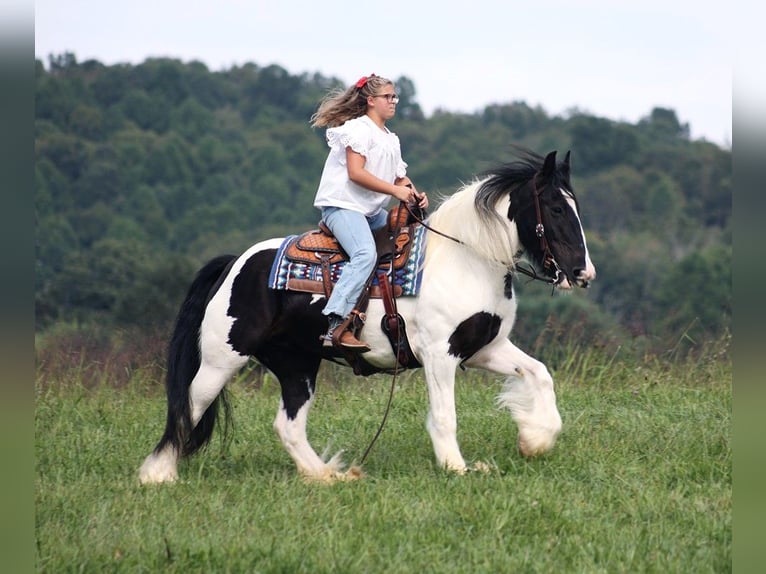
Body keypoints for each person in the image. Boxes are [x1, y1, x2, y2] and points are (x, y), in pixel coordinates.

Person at [310, 74, 428, 351]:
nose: (393, 101)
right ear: (371, 100)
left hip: (370, 211)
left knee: (413, 239)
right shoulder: (357, 129)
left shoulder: (390, 139)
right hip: (343, 206)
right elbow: (355, 173)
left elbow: (401, 179)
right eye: (388, 96)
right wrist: (394, 191)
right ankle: (335, 323)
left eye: (394, 96)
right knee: (365, 254)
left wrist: (414, 194)